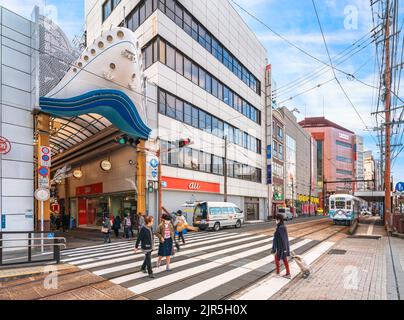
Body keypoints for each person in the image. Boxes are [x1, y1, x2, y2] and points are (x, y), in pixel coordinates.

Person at [271, 213, 291, 279]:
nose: (275, 221)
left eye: (276, 219)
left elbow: (284, 239)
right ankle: (278, 272)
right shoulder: (279, 226)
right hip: (279, 247)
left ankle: (288, 273)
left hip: (282, 247)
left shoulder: (281, 227)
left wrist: (285, 249)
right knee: (277, 258)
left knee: (284, 259)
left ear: (279, 220)